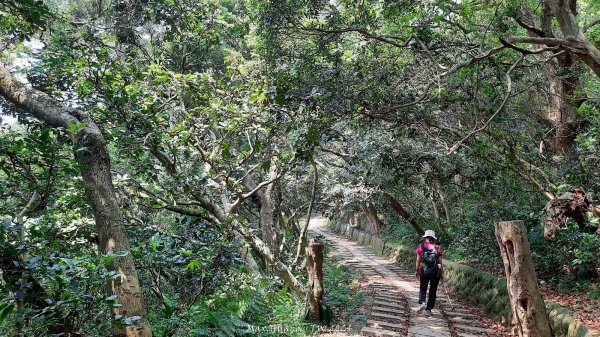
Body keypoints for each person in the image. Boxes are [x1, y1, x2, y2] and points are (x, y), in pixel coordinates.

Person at [415, 229, 443, 317]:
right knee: (433, 290)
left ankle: (422, 303)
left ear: (425, 237)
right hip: (435, 272)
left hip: (424, 271)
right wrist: (442, 274)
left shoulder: (421, 246)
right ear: (433, 238)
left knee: (423, 288)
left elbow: (418, 260)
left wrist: (417, 270)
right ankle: (429, 309)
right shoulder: (438, 248)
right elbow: (440, 262)